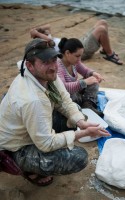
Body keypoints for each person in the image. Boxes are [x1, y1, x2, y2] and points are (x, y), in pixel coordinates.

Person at [0, 38, 110, 186]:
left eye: (53, 60)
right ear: (29, 65)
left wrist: (82, 123)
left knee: (75, 112)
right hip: (17, 147)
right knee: (79, 157)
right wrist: (83, 133)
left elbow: (64, 100)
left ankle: (49, 151)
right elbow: (46, 143)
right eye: (45, 62)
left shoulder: (46, 75)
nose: (53, 67)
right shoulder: (33, 99)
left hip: (30, 130)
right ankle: (26, 167)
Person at [30, 20, 123, 65]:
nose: (46, 32)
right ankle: (109, 54)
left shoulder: (47, 36)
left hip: (78, 43)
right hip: (81, 51)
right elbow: (49, 40)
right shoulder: (45, 44)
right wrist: (36, 33)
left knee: (102, 22)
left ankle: (105, 48)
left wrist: (38, 29)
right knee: (101, 29)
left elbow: (48, 26)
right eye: (43, 34)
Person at [57, 37, 104, 117]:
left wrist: (93, 73)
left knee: (93, 80)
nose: (79, 59)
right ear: (67, 53)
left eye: (80, 56)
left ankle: (88, 105)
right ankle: (80, 108)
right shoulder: (58, 66)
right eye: (77, 56)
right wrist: (84, 82)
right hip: (66, 97)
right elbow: (63, 88)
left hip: (74, 92)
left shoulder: (75, 62)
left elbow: (85, 71)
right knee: (73, 96)